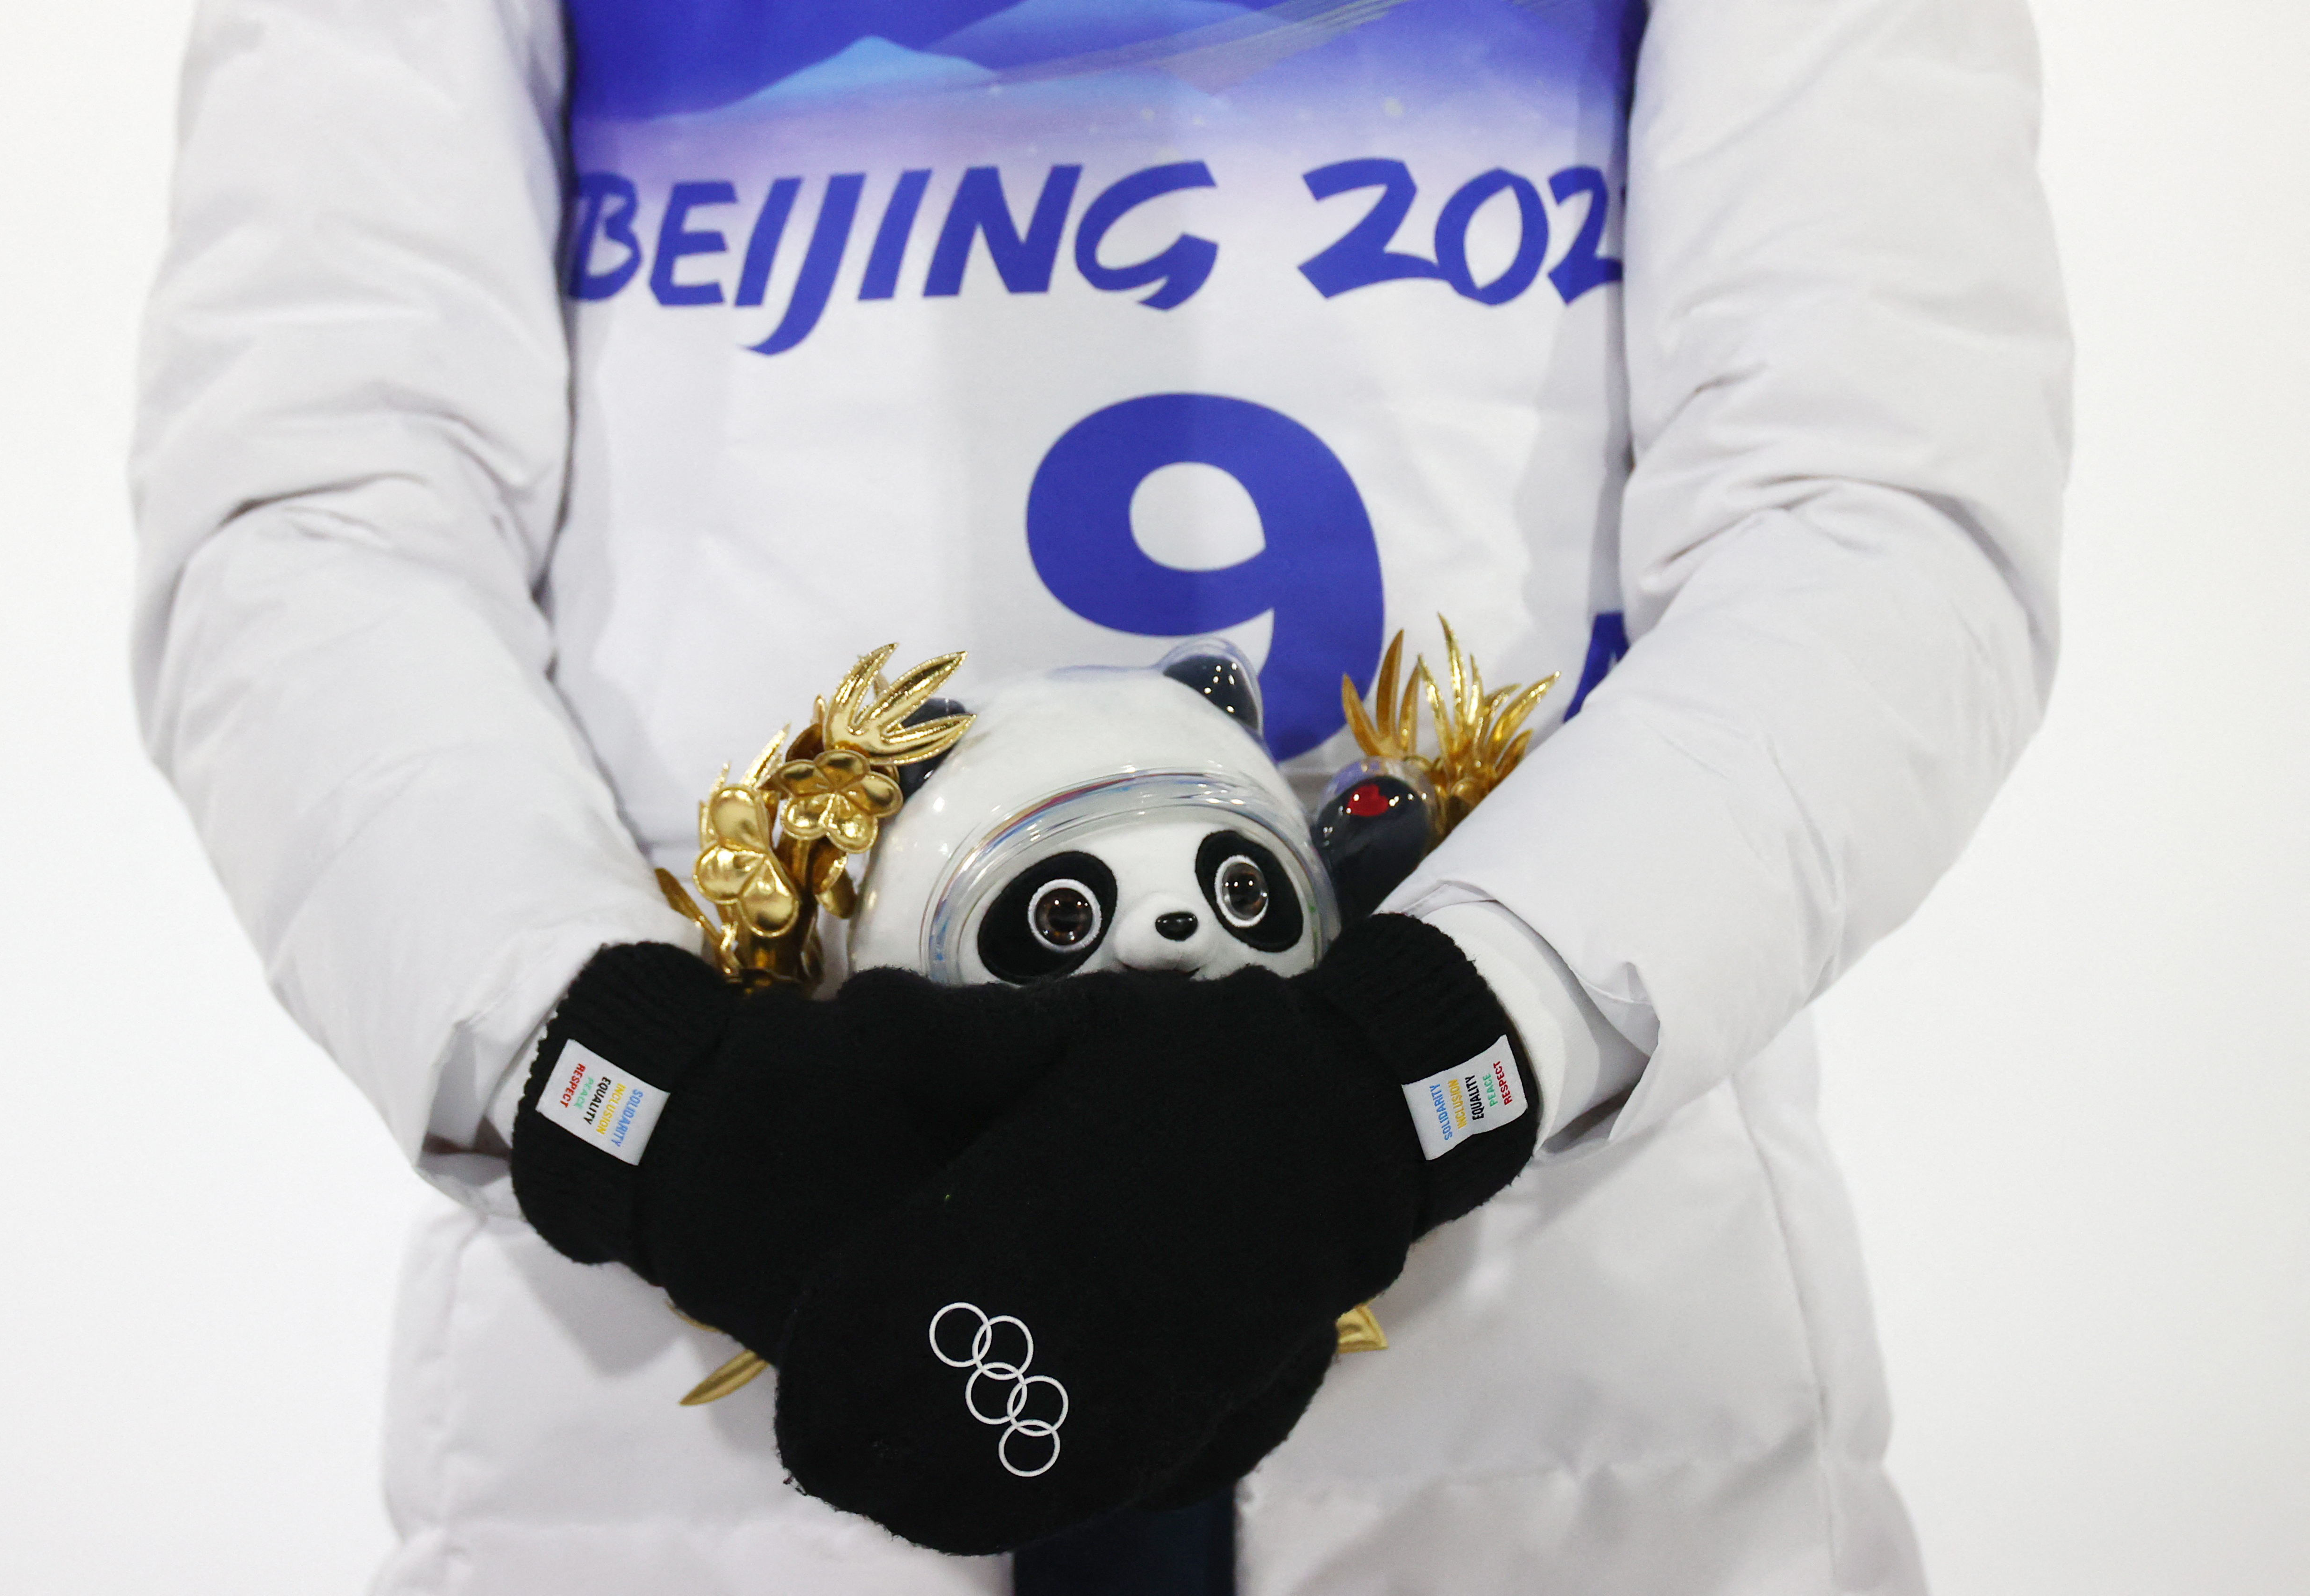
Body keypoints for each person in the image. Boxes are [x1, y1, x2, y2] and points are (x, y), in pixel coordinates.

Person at [130, 0, 2069, 1591]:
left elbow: (1870, 517)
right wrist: (641, 1103)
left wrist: (1412, 1071)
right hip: (674, 1429)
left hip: (1581, 1401)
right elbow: (316, 516)